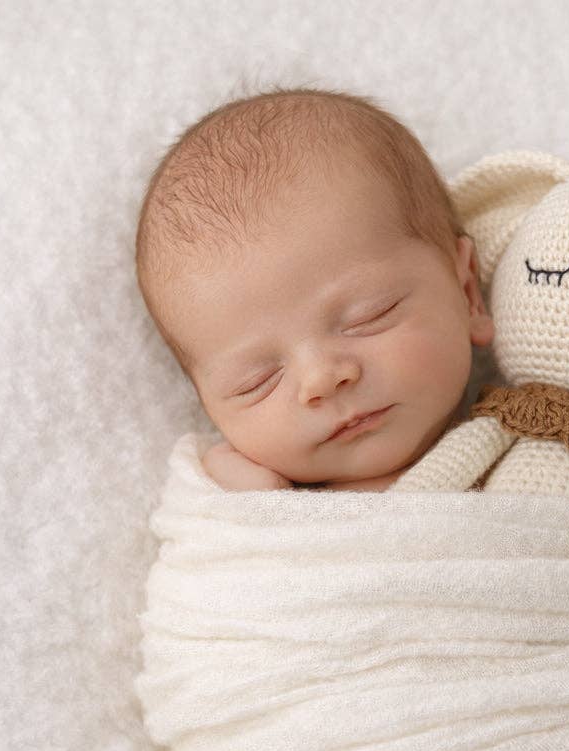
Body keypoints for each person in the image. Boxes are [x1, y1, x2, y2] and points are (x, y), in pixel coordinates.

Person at [134, 87, 494, 491]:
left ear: (468, 294)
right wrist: (250, 511)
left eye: (370, 316)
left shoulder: (531, 441)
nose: (321, 379)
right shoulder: (232, 496)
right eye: (257, 381)